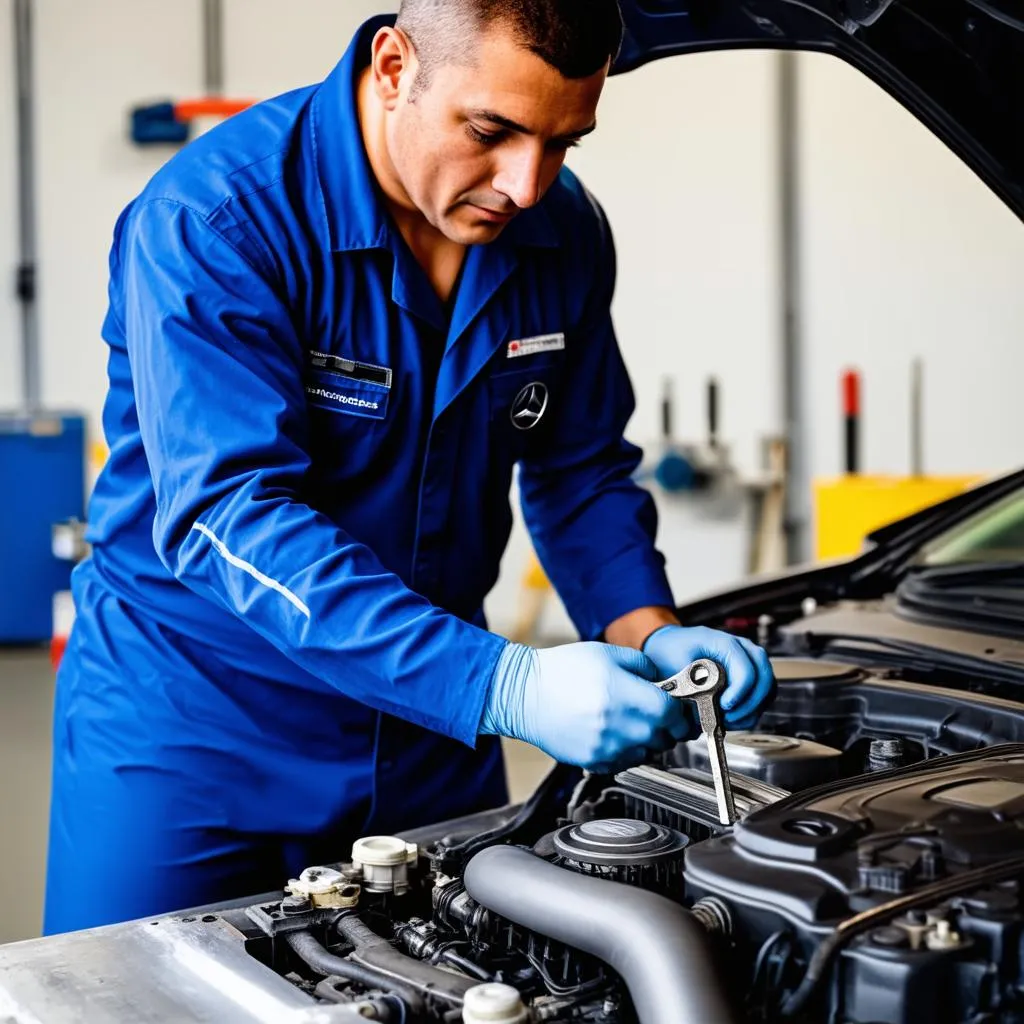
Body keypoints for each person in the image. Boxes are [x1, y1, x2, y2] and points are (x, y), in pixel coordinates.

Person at [43, 0, 774, 935]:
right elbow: (229, 514)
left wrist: (648, 634)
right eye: (492, 130)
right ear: (394, 66)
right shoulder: (218, 220)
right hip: (195, 728)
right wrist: (508, 686)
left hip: (430, 730)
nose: (524, 183)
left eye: (564, 144)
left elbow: (579, 466)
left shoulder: (565, 233)